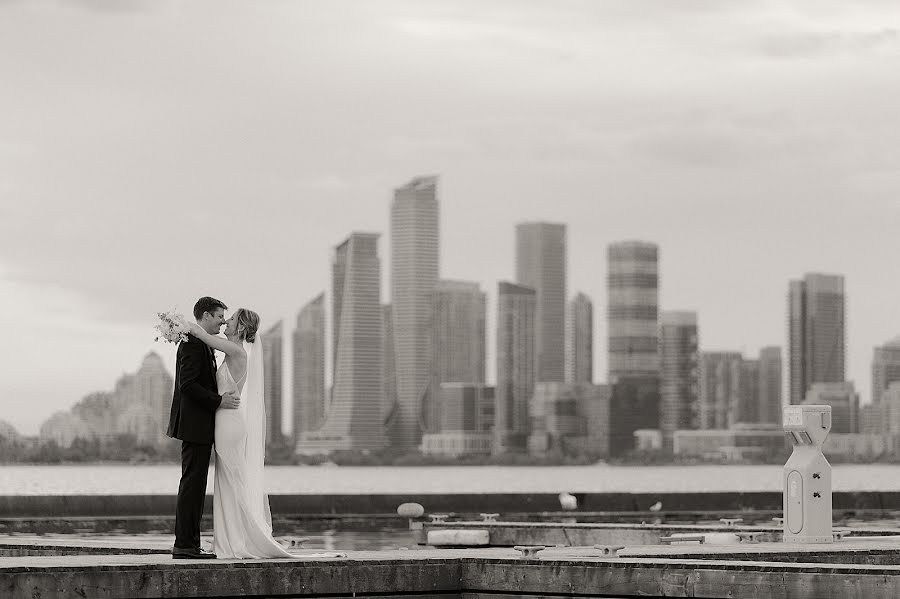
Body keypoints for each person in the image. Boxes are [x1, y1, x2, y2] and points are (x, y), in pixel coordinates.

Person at [182, 307, 295, 559]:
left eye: (230, 319)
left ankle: (238, 540)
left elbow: (205, 337)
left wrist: (181, 324)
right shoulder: (232, 352)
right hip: (225, 421)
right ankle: (230, 538)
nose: (226, 322)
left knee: (232, 482)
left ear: (241, 328)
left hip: (229, 424)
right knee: (227, 482)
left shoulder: (235, 350)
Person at [167, 296, 240, 559]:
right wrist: (219, 400)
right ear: (206, 315)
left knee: (195, 486)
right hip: (194, 426)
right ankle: (185, 545)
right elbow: (188, 384)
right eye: (220, 316)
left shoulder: (201, 342)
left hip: (199, 426)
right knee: (192, 486)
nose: (222, 322)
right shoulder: (192, 343)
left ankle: (189, 544)